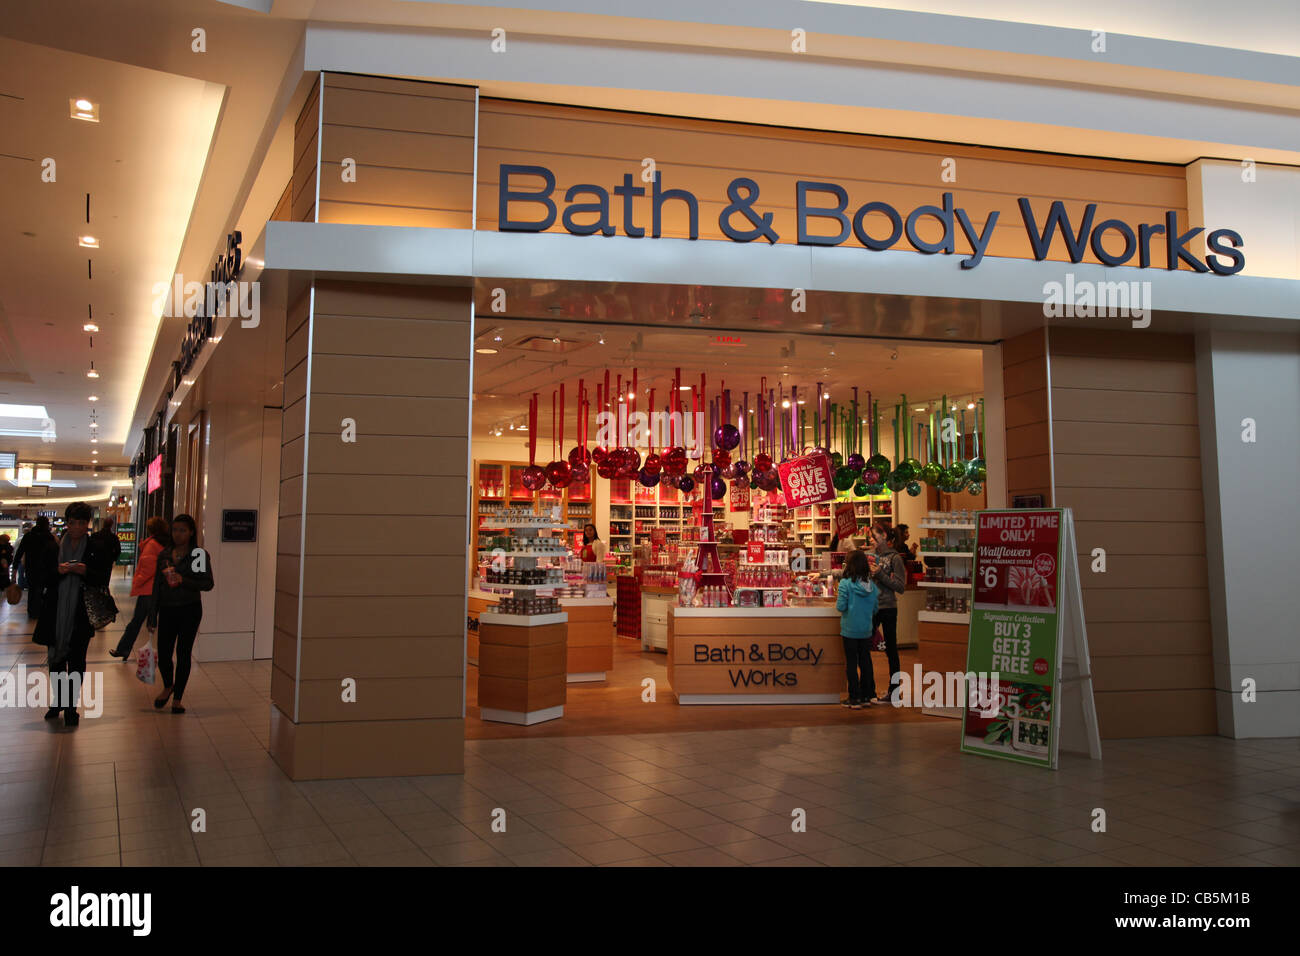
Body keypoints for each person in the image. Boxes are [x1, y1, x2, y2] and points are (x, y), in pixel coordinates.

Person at [31, 502, 113, 727]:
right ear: (67, 523)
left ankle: (71, 706)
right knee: (56, 661)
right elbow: (41, 578)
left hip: (81, 613)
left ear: (87, 524)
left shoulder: (95, 547)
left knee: (77, 661)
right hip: (55, 614)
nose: (76, 527)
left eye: (81, 523)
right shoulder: (53, 548)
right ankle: (59, 701)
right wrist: (58, 572)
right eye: (72, 522)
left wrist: (85, 571)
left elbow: (102, 578)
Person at [147, 514, 214, 714]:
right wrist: (152, 615)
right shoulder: (165, 555)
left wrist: (183, 580)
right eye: (175, 530)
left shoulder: (197, 555)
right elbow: (157, 587)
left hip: (189, 609)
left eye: (182, 530)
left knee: (183, 653)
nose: (178, 534)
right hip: (167, 609)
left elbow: (207, 583)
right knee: (165, 654)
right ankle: (168, 685)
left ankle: (177, 699)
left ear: (191, 532)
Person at [109, 516, 169, 661]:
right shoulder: (165, 543)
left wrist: (138, 582)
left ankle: (123, 649)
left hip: (149, 590)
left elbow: (148, 568)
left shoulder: (152, 544)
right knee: (158, 622)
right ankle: (164, 654)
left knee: (136, 622)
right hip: (161, 588)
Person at [868, 522, 908, 704]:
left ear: (883, 536)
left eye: (873, 536)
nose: (870, 540)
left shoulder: (894, 558)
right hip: (871, 608)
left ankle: (894, 691)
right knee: (864, 646)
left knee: (891, 650)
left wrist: (880, 575)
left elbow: (900, 587)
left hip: (889, 608)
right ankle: (868, 689)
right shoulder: (869, 556)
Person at [835, 549, 880, 709]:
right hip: (866, 629)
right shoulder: (872, 586)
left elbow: (841, 606)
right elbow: (875, 609)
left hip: (849, 629)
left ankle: (854, 697)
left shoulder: (845, 584)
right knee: (865, 661)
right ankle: (866, 695)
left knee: (852, 663)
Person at [14, 516, 56, 619]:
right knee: (40, 589)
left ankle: (32, 610)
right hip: (45, 568)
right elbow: (54, 553)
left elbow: (20, 552)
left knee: (32, 589)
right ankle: (39, 610)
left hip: (31, 567)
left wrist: (15, 566)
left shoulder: (29, 536)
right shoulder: (48, 537)